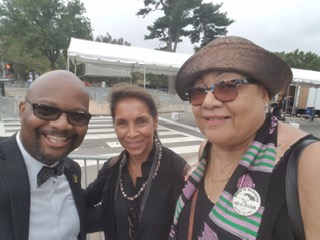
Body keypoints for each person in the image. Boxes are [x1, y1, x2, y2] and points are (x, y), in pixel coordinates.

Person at [169, 36, 320, 239]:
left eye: (227, 86)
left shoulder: (309, 162)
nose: (208, 101)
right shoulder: (207, 149)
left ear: (263, 94)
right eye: (198, 91)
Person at [85, 83, 189, 240]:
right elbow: (83, 202)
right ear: (114, 126)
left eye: (141, 121)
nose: (132, 133)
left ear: (155, 122)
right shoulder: (111, 169)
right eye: (122, 123)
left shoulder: (179, 172)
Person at [0, 70, 92, 240]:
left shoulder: (72, 170)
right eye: (46, 110)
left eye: (77, 116)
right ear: (22, 111)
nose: (63, 125)